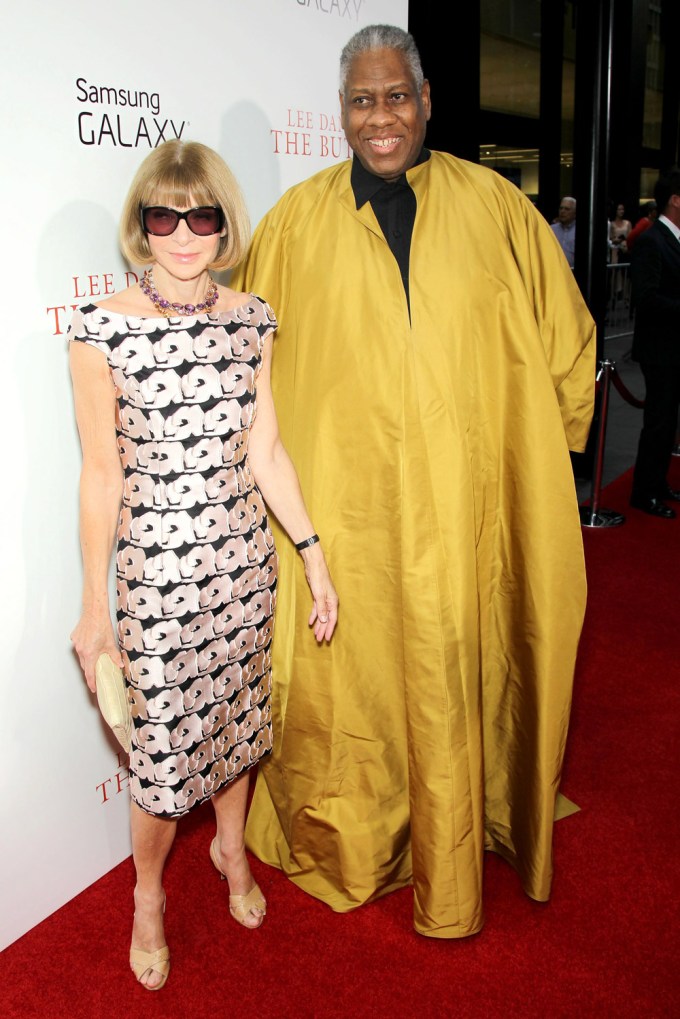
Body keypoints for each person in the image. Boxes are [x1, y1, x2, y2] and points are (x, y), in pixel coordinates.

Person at [231, 24, 595, 939]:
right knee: (357, 684)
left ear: (427, 101)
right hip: (347, 514)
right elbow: (247, 370)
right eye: (363, 99)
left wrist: (526, 475)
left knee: (460, 661)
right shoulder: (292, 225)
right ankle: (363, 835)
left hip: (471, 507)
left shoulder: (497, 207)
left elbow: (566, 343)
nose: (382, 115)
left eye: (398, 95)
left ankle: (471, 824)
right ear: (341, 112)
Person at [67, 139, 338, 989]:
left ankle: (229, 847)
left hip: (243, 569)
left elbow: (267, 452)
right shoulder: (100, 328)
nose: (183, 234)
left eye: (202, 216)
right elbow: (101, 475)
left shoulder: (252, 318)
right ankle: (147, 895)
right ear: (140, 226)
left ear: (224, 225)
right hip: (157, 581)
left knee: (236, 725)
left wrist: (314, 553)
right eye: (163, 216)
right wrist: (92, 608)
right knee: (159, 759)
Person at [629, 168, 680, 518]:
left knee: (668, 422)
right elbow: (645, 298)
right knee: (658, 422)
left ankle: (658, 483)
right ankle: (643, 491)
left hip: (674, 347)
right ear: (675, 199)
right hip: (660, 349)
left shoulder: (672, 238)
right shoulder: (652, 239)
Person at [550, 195, 577, 267]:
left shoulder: (579, 231)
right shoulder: (551, 229)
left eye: (567, 209)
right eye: (561, 208)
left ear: (575, 213)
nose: (562, 211)